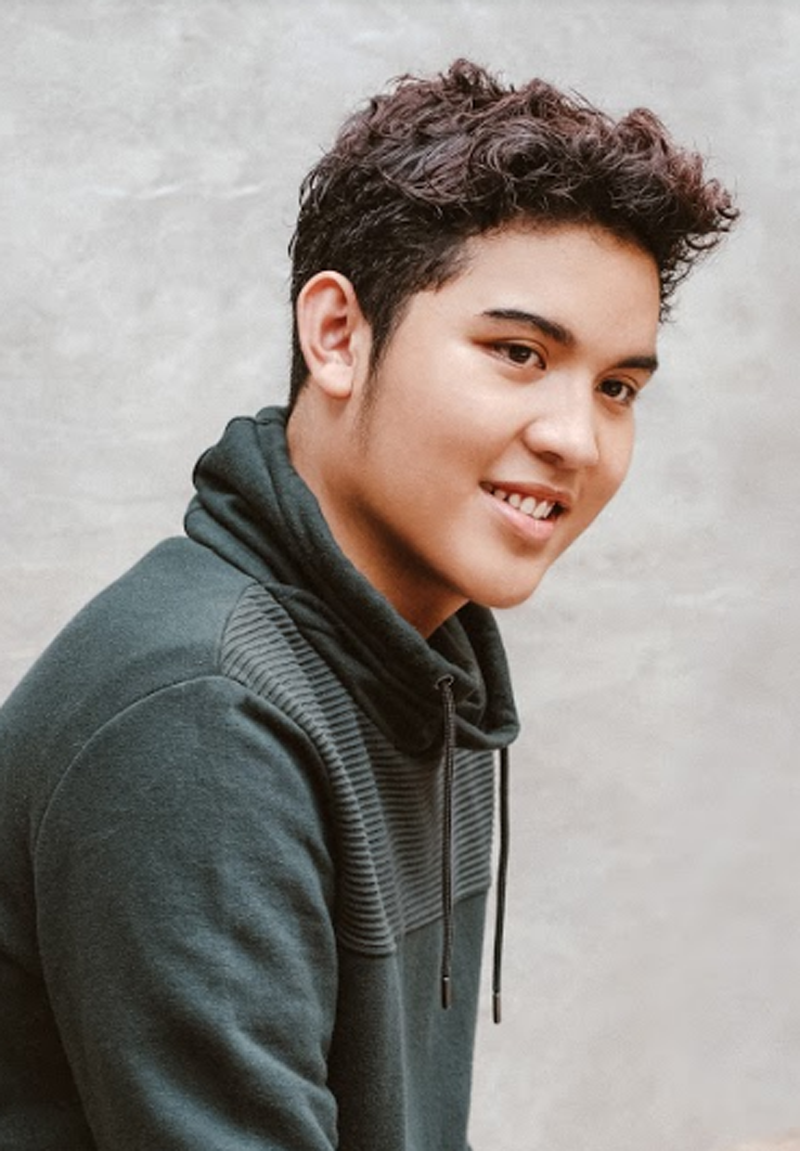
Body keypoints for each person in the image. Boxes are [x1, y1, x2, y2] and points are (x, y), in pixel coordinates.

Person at [0, 59, 736, 1150]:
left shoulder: (423, 673)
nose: (576, 439)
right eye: (518, 352)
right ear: (338, 334)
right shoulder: (202, 720)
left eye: (615, 386)